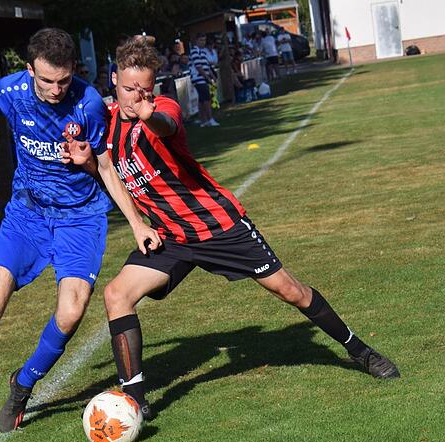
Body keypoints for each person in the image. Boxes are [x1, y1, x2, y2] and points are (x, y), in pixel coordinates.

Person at [73, 37, 400, 421]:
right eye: (129, 89)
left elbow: (167, 124)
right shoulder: (105, 124)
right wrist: (88, 164)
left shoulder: (162, 108)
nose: (136, 98)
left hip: (219, 226)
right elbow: (114, 177)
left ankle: (360, 350)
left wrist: (150, 114)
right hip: (171, 236)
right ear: (114, 79)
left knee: (291, 291)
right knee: (116, 295)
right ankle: (135, 401)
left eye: (144, 89)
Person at [0, 28, 159, 434]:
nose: (56, 90)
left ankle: (22, 385)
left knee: (70, 314)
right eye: (47, 81)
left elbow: (106, 168)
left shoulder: (89, 103)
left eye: (64, 80)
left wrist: (136, 221)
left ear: (73, 71)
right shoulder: (8, 91)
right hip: (28, 214)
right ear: (29, 70)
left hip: (79, 219)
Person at [189, 33, 219, 127]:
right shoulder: (194, 51)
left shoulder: (203, 52)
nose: (203, 42)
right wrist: (208, 78)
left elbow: (206, 65)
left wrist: (212, 76)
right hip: (198, 78)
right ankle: (210, 119)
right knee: (206, 99)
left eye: (204, 40)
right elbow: (199, 67)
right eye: (201, 40)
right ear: (196, 41)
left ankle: (203, 120)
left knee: (202, 100)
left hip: (202, 78)